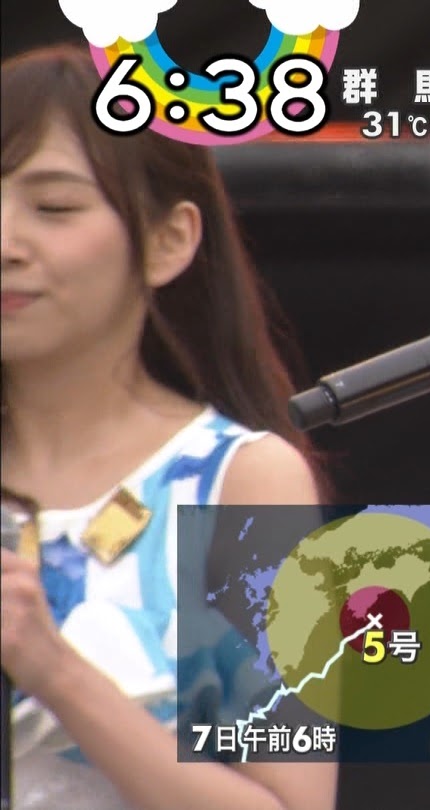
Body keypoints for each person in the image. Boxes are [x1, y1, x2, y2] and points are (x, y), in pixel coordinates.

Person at [0, 44, 335, 810]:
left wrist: (54, 670)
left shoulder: (243, 479)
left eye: (54, 208)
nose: (6, 243)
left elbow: (292, 803)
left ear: (169, 240)